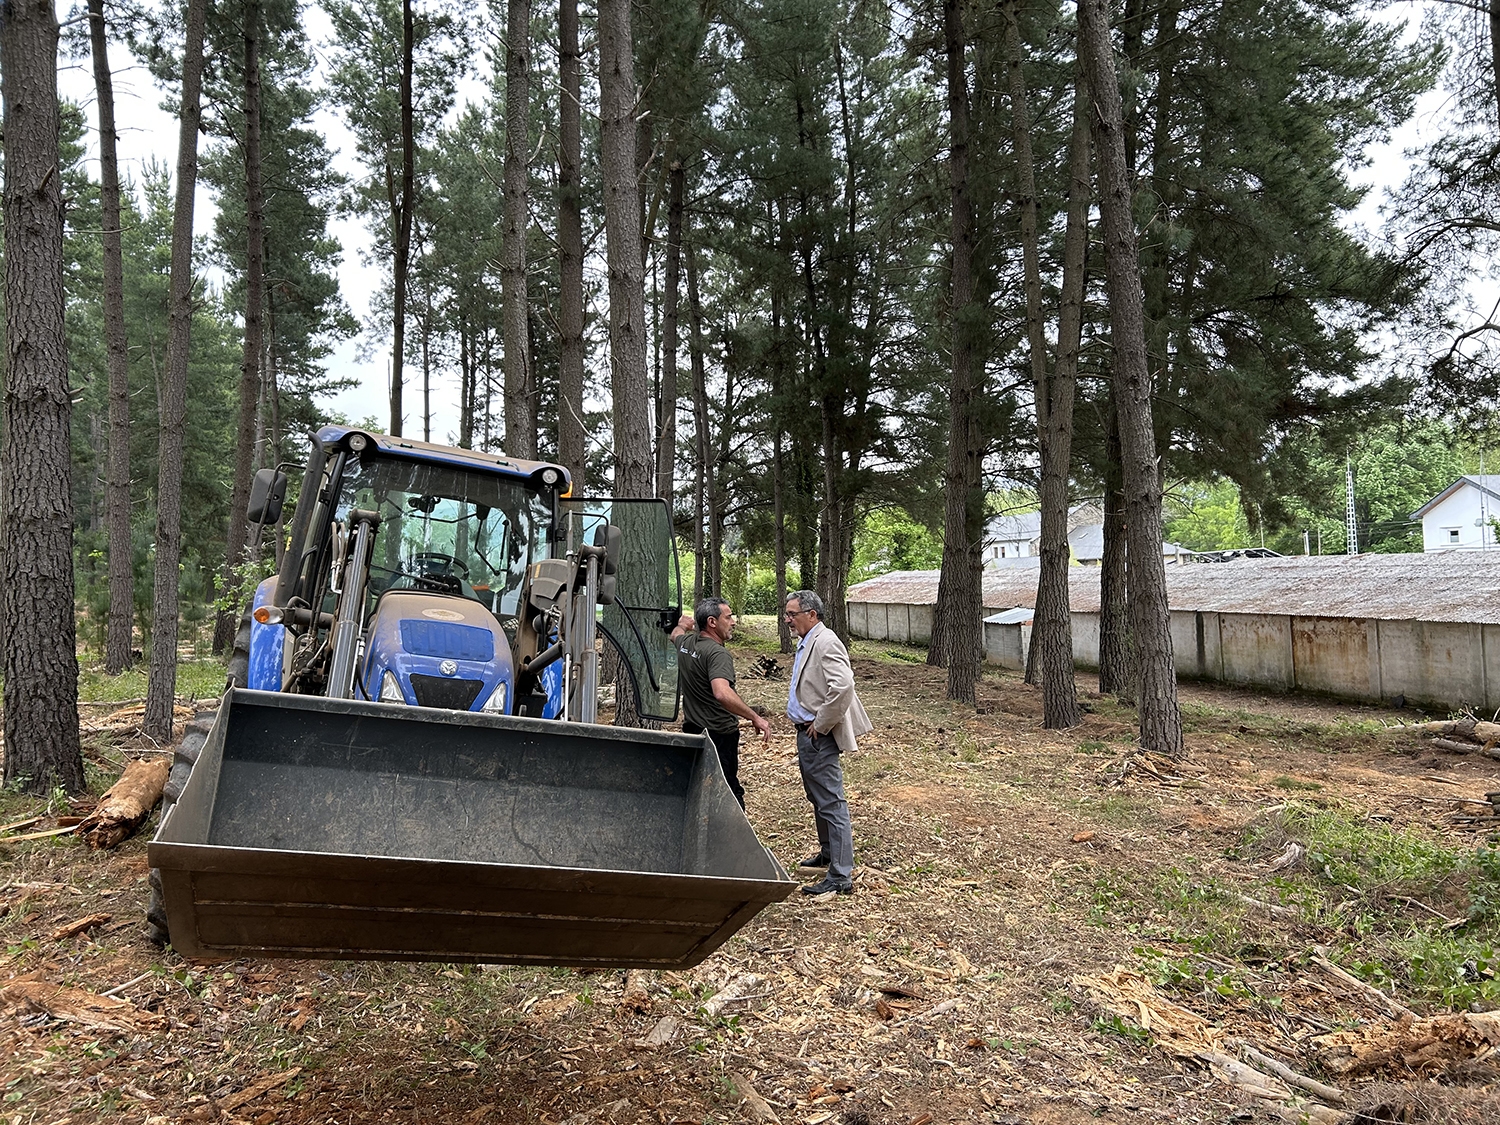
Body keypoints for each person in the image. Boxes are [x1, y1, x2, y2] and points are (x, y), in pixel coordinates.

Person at [784, 590, 872, 896]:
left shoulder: (826, 641)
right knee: (817, 795)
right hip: (806, 731)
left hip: (816, 733)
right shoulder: (808, 640)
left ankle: (840, 875)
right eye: (787, 614)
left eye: (792, 614)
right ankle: (829, 854)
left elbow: (844, 685)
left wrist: (821, 724)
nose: (787, 620)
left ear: (811, 614)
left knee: (831, 802)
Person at [676, 597, 770, 809]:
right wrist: (755, 717)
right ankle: (736, 839)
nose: (733, 622)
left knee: (700, 787)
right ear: (712, 622)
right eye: (728, 617)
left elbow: (675, 635)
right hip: (719, 736)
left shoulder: (686, 644)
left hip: (693, 731)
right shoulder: (718, 653)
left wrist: (682, 625)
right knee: (727, 790)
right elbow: (722, 693)